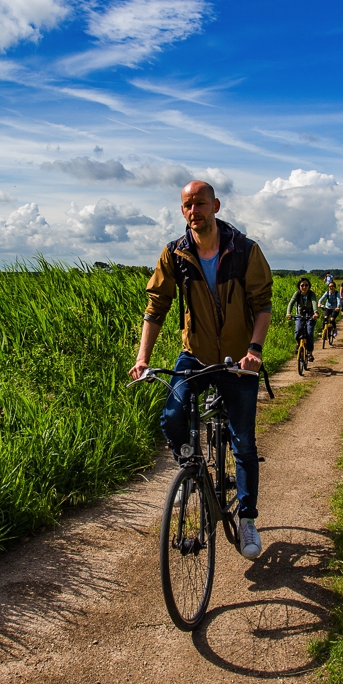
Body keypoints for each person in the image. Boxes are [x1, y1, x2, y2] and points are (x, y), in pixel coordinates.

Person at [131, 181, 274, 559]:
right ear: (183, 211)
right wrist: (142, 357)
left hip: (239, 360)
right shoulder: (175, 254)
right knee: (173, 415)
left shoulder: (244, 250)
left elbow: (262, 305)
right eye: (187, 205)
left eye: (201, 204)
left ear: (216, 205)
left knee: (243, 441)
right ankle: (190, 471)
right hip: (194, 355)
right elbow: (156, 307)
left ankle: (247, 520)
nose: (194, 211)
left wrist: (254, 350)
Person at [285, 277, 318, 362]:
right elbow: (291, 303)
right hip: (300, 315)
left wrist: (315, 312)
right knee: (298, 330)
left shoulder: (311, 294)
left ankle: (310, 353)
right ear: (299, 286)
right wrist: (288, 313)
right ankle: (298, 343)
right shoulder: (297, 294)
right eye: (302, 285)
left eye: (306, 285)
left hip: (310, 316)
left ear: (309, 286)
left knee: (309, 333)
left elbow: (314, 302)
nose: (304, 287)